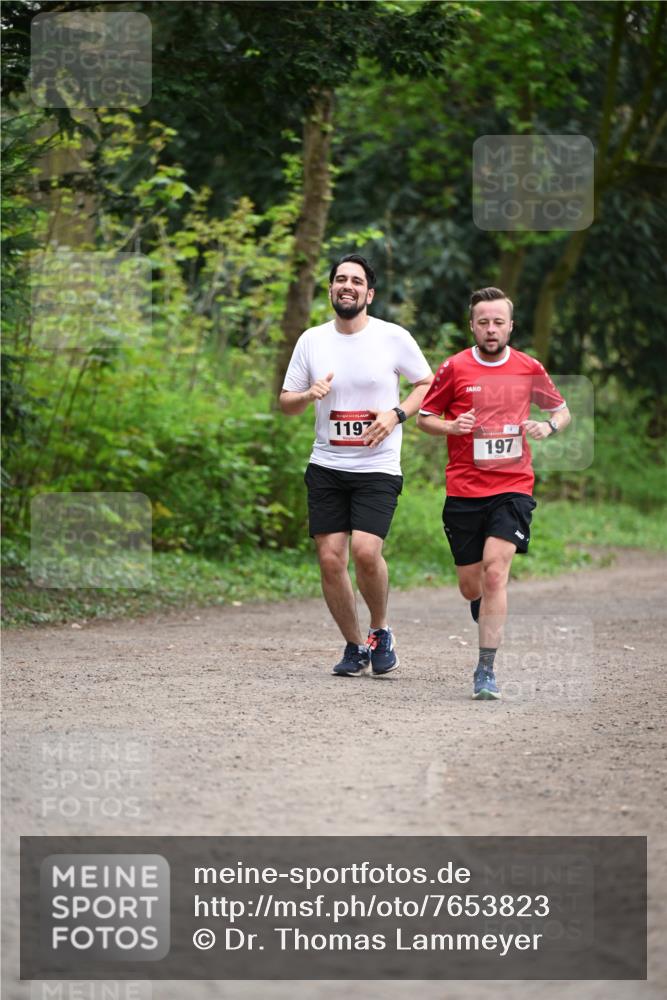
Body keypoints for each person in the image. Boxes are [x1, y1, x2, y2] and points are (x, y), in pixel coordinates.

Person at [279, 254, 433, 677]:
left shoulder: (392, 337)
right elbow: (286, 403)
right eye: (340, 279)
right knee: (330, 559)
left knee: (366, 552)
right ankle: (353, 646)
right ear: (330, 289)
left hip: (377, 466)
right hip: (327, 463)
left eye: (356, 280)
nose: (347, 285)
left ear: (370, 293)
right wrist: (309, 394)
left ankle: (380, 631)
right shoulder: (312, 339)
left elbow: (425, 382)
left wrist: (397, 414)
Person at [417, 286, 570, 700]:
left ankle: (485, 670)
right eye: (483, 322)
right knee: (472, 585)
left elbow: (562, 410)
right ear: (472, 325)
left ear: (510, 326)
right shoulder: (453, 368)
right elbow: (426, 418)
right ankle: (481, 605)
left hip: (513, 487)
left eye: (498, 322)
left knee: (495, 572)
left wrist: (548, 427)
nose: (490, 329)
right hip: (464, 490)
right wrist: (451, 427)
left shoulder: (528, 367)